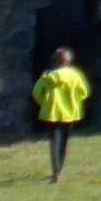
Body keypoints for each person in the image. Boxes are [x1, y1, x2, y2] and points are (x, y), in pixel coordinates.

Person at [30, 47, 90, 182]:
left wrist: (44, 102)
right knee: (64, 141)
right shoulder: (75, 75)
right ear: (68, 61)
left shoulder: (47, 76)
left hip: (52, 112)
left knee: (54, 142)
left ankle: (55, 170)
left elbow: (36, 92)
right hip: (70, 112)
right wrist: (74, 101)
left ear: (54, 61)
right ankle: (61, 168)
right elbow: (84, 92)